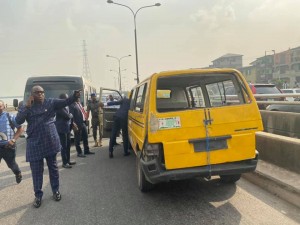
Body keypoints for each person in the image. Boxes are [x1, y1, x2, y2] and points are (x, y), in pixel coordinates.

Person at [15, 85, 81, 208]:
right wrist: (26, 106)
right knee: (36, 172)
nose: (40, 94)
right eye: (37, 92)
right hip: (35, 144)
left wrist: (74, 96)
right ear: (32, 94)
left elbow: (65, 101)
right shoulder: (27, 107)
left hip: (50, 141)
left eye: (42, 92)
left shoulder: (50, 102)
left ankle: (55, 191)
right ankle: (38, 195)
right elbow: (18, 121)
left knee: (53, 168)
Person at [0, 100, 23, 184]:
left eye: (0, 106)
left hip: (8, 147)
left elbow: (20, 129)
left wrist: (13, 140)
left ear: (4, 106)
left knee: (11, 165)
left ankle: (17, 173)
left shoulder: (9, 116)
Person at [55, 93, 76, 169]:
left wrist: (70, 116)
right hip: (62, 129)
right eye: (65, 99)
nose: (67, 100)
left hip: (67, 129)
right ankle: (64, 163)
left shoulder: (66, 106)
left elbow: (69, 116)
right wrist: (70, 115)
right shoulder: (59, 107)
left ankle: (68, 161)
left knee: (68, 146)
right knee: (64, 147)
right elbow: (67, 116)